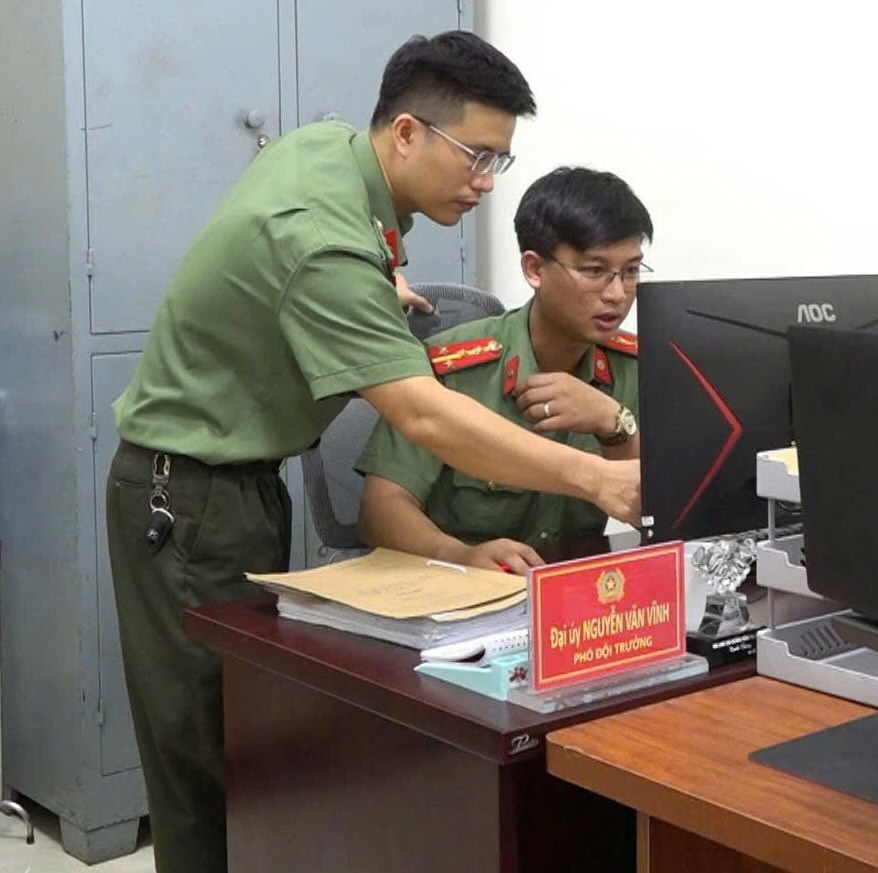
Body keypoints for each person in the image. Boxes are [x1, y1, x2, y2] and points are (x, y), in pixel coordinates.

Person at [104, 32, 638, 873]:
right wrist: (598, 475)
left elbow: (306, 242)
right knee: (205, 753)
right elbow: (425, 417)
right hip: (190, 494)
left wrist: (374, 278)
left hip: (235, 483)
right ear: (405, 134)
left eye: (500, 159)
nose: (486, 182)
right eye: (476, 156)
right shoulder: (323, 243)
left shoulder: (328, 150)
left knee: (239, 738)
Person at [356, 167, 652, 573]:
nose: (617, 293)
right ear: (534, 269)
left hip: (575, 601)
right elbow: (381, 508)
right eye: (594, 271)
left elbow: (665, 509)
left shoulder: (636, 368)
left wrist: (614, 423)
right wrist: (458, 557)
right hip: (457, 592)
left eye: (631, 271)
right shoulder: (453, 367)